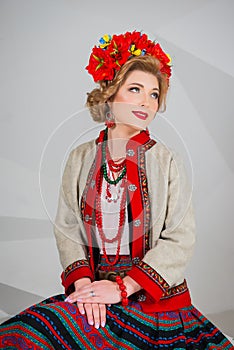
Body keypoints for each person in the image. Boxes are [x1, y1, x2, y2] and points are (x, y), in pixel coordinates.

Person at [0, 30, 233, 350]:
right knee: (19, 336)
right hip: (93, 294)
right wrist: (85, 288)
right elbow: (67, 226)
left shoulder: (166, 160)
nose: (146, 101)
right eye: (135, 89)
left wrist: (122, 290)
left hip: (154, 305)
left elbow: (181, 238)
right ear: (109, 94)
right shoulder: (80, 156)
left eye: (154, 94)